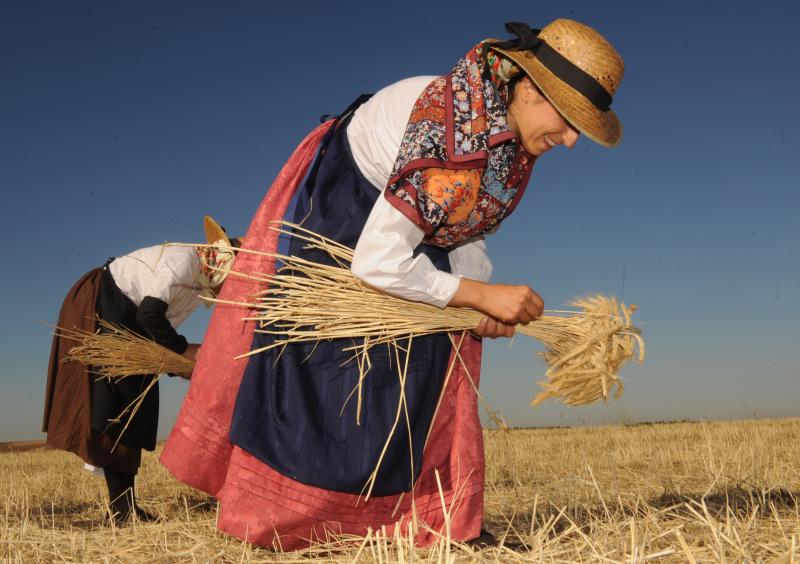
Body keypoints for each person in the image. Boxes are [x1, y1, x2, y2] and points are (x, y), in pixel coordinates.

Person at [161, 18, 624, 548]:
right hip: (348, 199)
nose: (569, 141)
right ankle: (282, 521)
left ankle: (429, 524)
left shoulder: (512, 147)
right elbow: (377, 261)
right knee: (332, 370)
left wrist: (478, 307)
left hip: (407, 219)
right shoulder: (454, 133)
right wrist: (477, 295)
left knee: (426, 367)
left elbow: (464, 229)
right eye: (567, 121)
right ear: (527, 87)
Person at [43, 216, 238, 524]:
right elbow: (150, 314)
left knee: (138, 409)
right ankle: (121, 510)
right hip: (104, 305)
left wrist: (181, 366)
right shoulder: (184, 261)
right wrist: (185, 352)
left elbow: (157, 333)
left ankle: (123, 508)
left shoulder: (195, 287)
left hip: (129, 323)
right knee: (119, 404)